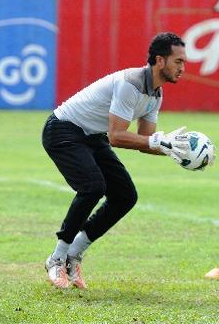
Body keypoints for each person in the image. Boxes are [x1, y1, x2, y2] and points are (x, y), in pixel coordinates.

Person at [42, 32, 190, 289]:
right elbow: (118, 136)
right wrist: (158, 142)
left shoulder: (156, 93)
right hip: (63, 129)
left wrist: (175, 150)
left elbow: (145, 140)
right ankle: (56, 259)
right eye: (178, 61)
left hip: (91, 135)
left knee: (125, 196)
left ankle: (73, 254)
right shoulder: (130, 84)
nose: (183, 68)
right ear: (159, 60)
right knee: (92, 187)